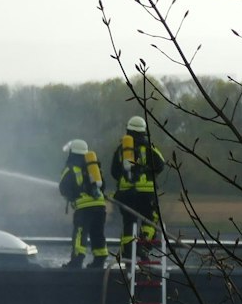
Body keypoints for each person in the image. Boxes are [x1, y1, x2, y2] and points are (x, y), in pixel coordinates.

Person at [111, 115, 167, 261]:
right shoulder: (149, 148)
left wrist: (126, 179)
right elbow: (161, 164)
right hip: (146, 193)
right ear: (143, 132)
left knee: (129, 221)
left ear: (128, 130)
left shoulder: (121, 149)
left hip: (126, 194)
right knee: (150, 219)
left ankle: (128, 252)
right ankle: (143, 245)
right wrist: (147, 170)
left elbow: (114, 172)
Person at [58, 139, 110, 269]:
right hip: (99, 206)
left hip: (83, 208)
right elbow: (102, 186)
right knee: (97, 233)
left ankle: (76, 261)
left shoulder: (70, 168)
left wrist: (72, 197)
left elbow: (63, 188)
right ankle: (99, 260)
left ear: (72, 152)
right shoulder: (94, 167)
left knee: (80, 233)